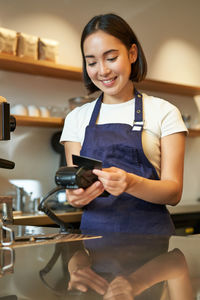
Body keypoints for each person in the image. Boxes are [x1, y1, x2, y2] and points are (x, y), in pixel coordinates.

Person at [60, 13, 187, 235]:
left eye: (110, 58)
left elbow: (173, 193)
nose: (102, 71)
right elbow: (76, 185)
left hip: (152, 251)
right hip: (93, 247)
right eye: (92, 62)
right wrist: (75, 197)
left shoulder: (164, 112)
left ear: (132, 53)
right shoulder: (76, 118)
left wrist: (130, 182)